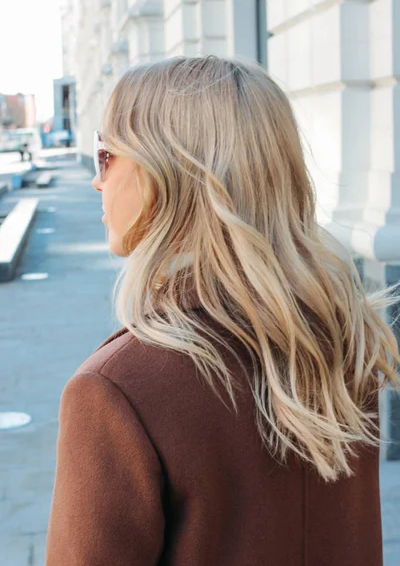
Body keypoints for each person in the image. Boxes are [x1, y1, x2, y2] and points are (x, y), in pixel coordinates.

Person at [45, 56, 400, 566]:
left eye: (105, 155)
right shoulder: (342, 339)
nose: (97, 182)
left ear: (162, 172)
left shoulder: (115, 390)